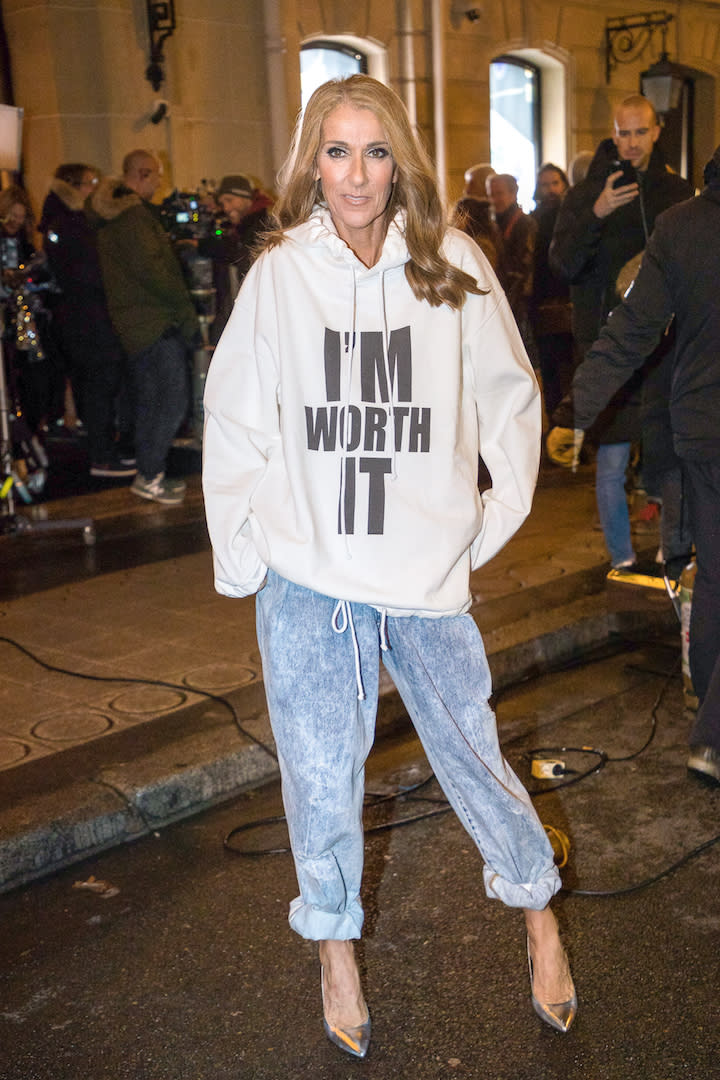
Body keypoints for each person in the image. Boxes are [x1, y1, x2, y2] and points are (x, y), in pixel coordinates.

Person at [202, 74, 576, 1059]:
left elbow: (511, 398)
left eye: (374, 151)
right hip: (309, 580)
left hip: (422, 580)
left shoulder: (451, 263)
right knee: (320, 779)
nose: (356, 175)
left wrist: (490, 520)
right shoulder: (282, 273)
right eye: (336, 151)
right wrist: (240, 553)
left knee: (474, 759)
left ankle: (539, 913)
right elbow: (236, 415)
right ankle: (335, 950)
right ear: (310, 165)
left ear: (398, 159)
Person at [547, 145, 720, 784]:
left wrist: (574, 412)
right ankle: (712, 735)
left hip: (698, 432)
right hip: (700, 431)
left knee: (717, 576)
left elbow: (628, 331)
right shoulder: (678, 222)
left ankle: (707, 718)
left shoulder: (680, 225)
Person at [549, 96, 693, 569]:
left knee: (669, 460)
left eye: (639, 132)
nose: (630, 142)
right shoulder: (588, 192)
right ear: (613, 133)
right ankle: (622, 559)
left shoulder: (675, 192)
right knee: (611, 465)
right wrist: (597, 211)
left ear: (655, 132)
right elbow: (563, 263)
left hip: (667, 351)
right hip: (610, 347)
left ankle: (674, 553)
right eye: (622, 133)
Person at [89, 150, 199, 504]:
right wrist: (187, 318)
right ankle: (150, 474)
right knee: (172, 401)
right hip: (156, 324)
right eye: (155, 176)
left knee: (151, 402)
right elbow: (159, 274)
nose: (159, 183)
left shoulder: (110, 219)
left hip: (133, 325)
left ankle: (148, 473)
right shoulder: (135, 217)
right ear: (141, 174)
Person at [39, 163, 134, 478]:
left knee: (97, 384)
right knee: (100, 383)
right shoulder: (67, 223)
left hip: (82, 316)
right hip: (86, 317)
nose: (94, 188)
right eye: (89, 182)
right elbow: (86, 272)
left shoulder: (67, 220)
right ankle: (102, 456)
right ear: (72, 186)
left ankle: (102, 450)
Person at [198, 173, 274, 343]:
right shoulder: (244, 226)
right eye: (223, 202)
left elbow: (239, 255)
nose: (225, 207)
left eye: (230, 200)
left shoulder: (263, 225)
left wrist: (201, 246)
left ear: (245, 198)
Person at [529, 164, 574, 418]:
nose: (550, 190)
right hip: (542, 307)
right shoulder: (534, 222)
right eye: (545, 184)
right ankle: (558, 427)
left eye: (555, 183)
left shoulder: (572, 217)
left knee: (570, 370)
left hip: (569, 305)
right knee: (550, 372)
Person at [486, 172, 537, 334]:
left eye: (499, 194)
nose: (494, 200)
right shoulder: (493, 225)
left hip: (520, 304)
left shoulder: (525, 224)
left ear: (513, 194)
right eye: (491, 195)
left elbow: (524, 268)